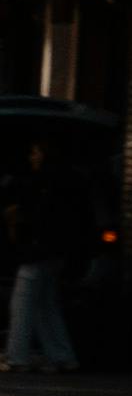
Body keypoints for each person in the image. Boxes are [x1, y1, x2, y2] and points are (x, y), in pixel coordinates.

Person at [5, 134, 87, 373]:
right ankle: (61, 356)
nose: (32, 157)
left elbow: (40, 218)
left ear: (45, 155)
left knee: (23, 303)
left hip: (39, 249)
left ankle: (17, 356)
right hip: (56, 251)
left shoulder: (43, 183)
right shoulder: (69, 180)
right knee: (45, 305)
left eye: (35, 152)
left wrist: (21, 224)